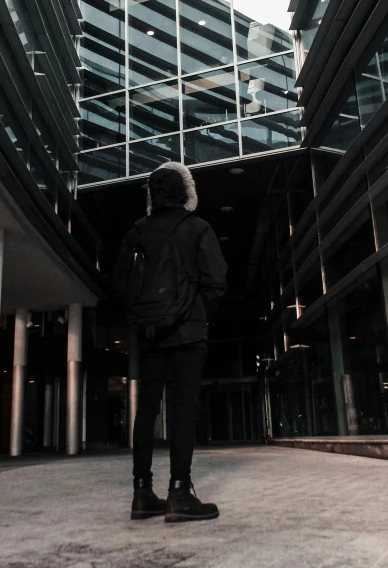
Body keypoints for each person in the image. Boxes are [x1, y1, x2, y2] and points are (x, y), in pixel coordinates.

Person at [112, 161, 227, 523]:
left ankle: (142, 494)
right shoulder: (197, 228)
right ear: (186, 192)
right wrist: (195, 312)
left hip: (150, 335)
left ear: (152, 196)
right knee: (183, 408)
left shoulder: (137, 232)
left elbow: (118, 285)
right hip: (189, 333)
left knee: (146, 409)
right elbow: (217, 282)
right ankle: (180, 493)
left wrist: (146, 319)